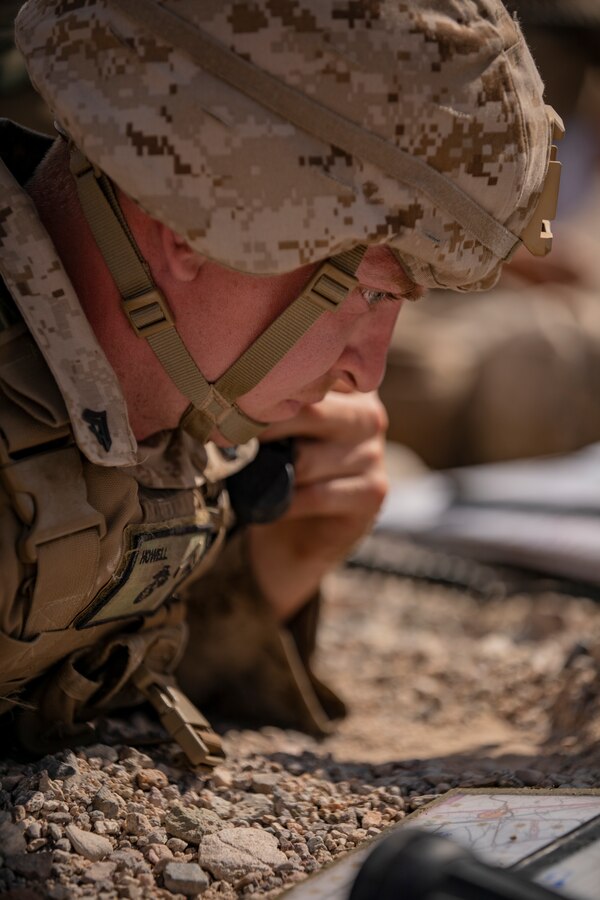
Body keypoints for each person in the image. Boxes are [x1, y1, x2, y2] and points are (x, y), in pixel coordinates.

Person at [0, 0, 561, 765]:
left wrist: (256, 580)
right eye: (369, 292)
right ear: (196, 215)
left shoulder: (141, 406)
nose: (368, 373)